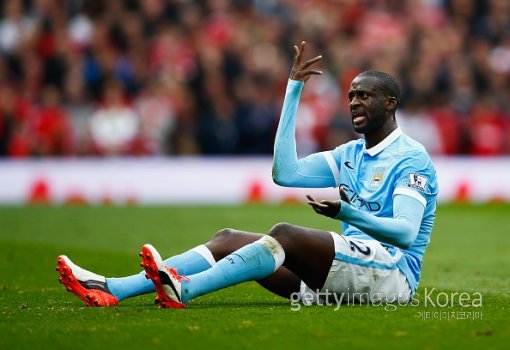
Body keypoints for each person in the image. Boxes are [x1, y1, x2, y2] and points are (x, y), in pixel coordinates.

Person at [56, 41, 438, 308]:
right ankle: (112, 288)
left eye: (364, 96)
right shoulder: (349, 154)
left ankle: (184, 290)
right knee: (227, 239)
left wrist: (346, 213)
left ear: (390, 104)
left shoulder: (410, 158)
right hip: (347, 275)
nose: (354, 101)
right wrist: (293, 91)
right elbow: (285, 173)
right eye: (351, 95)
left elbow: (404, 233)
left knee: (284, 234)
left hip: (391, 278)